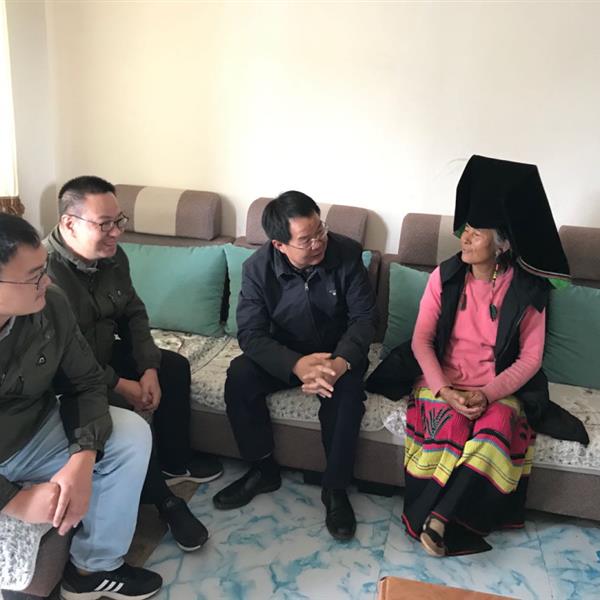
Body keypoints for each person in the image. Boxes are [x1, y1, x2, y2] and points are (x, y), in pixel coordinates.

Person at [402, 155, 571, 556]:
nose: (464, 238)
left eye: (476, 233)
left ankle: (439, 520)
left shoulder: (527, 290)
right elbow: (420, 341)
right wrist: (445, 391)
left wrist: (488, 393)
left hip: (496, 389)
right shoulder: (443, 277)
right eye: (465, 229)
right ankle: (442, 520)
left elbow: (530, 359)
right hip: (443, 384)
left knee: (496, 429)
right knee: (451, 426)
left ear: (502, 244)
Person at [45, 176, 223, 553]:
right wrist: (120, 385)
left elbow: (133, 312)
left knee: (173, 367)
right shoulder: (44, 276)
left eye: (119, 221)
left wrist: (148, 369)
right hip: (66, 377)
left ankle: (176, 462)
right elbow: (66, 359)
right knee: (122, 420)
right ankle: (164, 502)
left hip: (103, 353)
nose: (116, 232)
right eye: (104, 224)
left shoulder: (113, 257)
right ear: (69, 223)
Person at [0, 213, 162, 599]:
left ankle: (93, 568)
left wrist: (82, 458)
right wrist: (14, 501)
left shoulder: (50, 305)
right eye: (34, 276)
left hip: (34, 429)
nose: (47, 281)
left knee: (131, 434)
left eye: (44, 270)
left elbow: (86, 381)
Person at [212, 191, 377, 540]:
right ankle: (262, 469)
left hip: (337, 354)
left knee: (346, 396)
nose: (319, 243)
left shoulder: (347, 254)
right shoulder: (257, 269)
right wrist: (296, 365)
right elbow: (251, 334)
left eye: (321, 231)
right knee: (240, 376)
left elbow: (364, 320)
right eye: (307, 240)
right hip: (285, 353)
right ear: (279, 245)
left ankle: (335, 488)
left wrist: (340, 362)